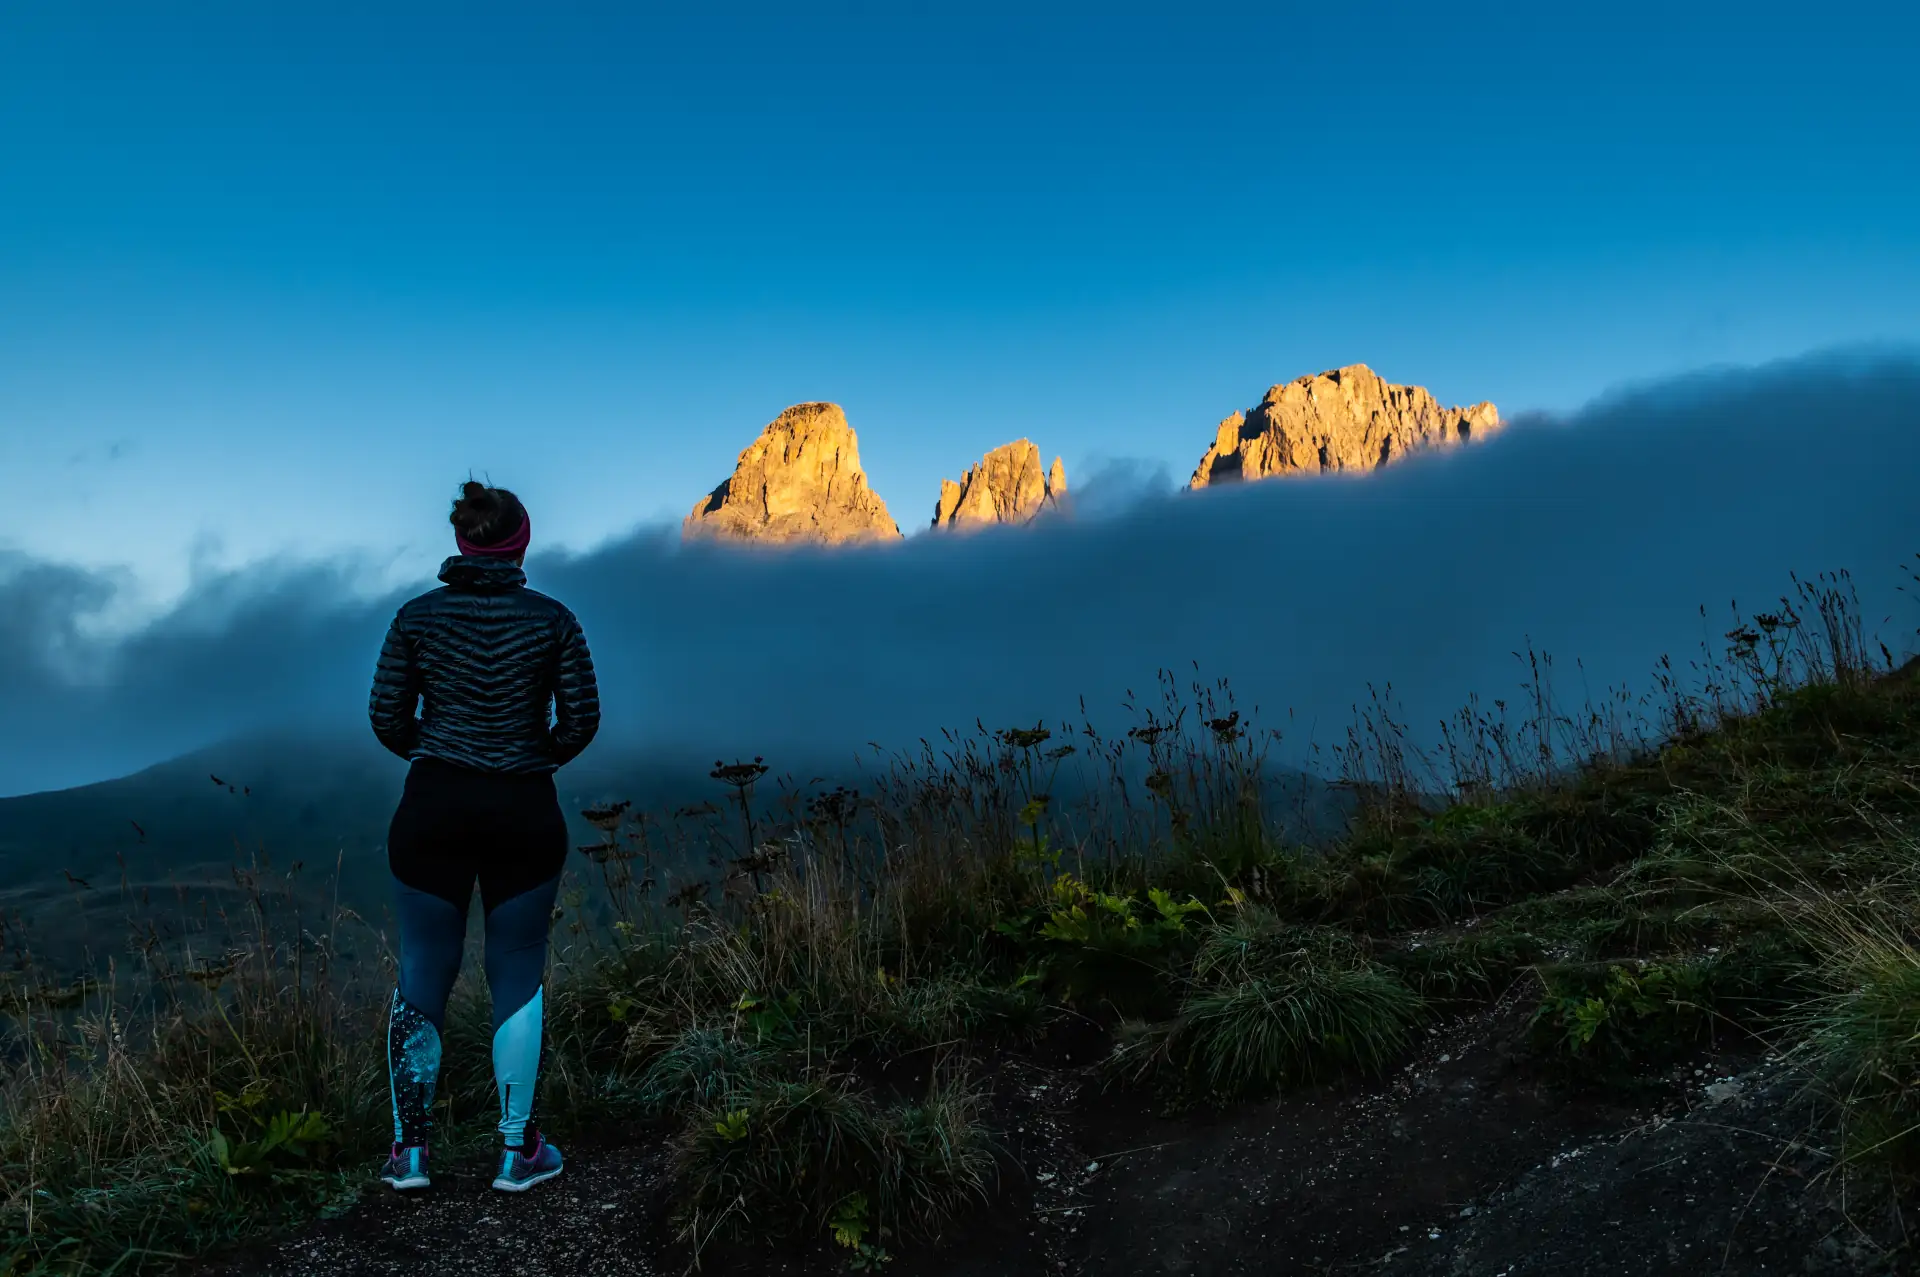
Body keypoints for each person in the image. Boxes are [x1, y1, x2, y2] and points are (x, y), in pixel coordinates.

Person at [367, 481, 600, 1193]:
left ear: (463, 541)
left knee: (423, 967)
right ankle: (517, 1151)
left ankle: (411, 1153)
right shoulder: (554, 620)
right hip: (523, 808)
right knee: (517, 971)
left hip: (433, 804)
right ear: (521, 543)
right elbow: (581, 719)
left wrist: (435, 752)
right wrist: (532, 757)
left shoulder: (416, 617)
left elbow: (386, 716)